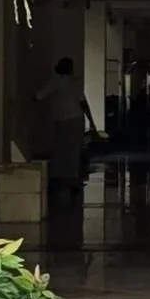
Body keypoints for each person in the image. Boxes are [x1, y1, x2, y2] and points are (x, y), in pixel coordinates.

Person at [36, 56, 88, 199]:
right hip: (76, 119)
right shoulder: (74, 83)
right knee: (73, 150)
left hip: (63, 120)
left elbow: (39, 96)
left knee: (61, 149)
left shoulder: (55, 83)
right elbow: (83, 103)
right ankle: (72, 179)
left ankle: (59, 178)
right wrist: (92, 122)